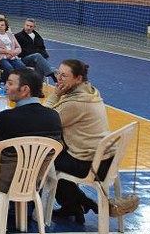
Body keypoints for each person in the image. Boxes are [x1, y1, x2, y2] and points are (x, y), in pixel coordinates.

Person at [0, 68, 62, 232]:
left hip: (2, 181)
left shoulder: (6, 118)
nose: (6, 87)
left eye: (10, 83)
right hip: (34, 180)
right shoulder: (54, 117)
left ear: (25, 89)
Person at [45, 60, 111, 223]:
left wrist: (55, 95)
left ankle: (78, 202)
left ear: (78, 79)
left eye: (64, 75)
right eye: (58, 73)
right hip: (106, 160)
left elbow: (44, 119)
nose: (58, 78)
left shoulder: (75, 103)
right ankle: (75, 204)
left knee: (45, 159)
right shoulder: (91, 92)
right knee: (56, 155)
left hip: (91, 166)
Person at [14, 18, 56, 82]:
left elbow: (42, 48)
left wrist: (44, 55)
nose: (28, 27)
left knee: (39, 63)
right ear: (24, 25)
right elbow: (16, 50)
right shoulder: (18, 36)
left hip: (37, 59)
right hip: (24, 59)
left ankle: (37, 85)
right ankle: (52, 75)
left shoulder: (37, 36)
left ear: (34, 27)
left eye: (31, 26)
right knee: (37, 56)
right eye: (27, 25)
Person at [0, 18, 26, 83]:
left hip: (12, 57)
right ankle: (3, 84)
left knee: (22, 67)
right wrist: (5, 51)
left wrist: (13, 53)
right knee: (9, 68)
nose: (0, 26)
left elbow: (18, 48)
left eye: (2, 25)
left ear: (6, 27)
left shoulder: (10, 35)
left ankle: (17, 84)